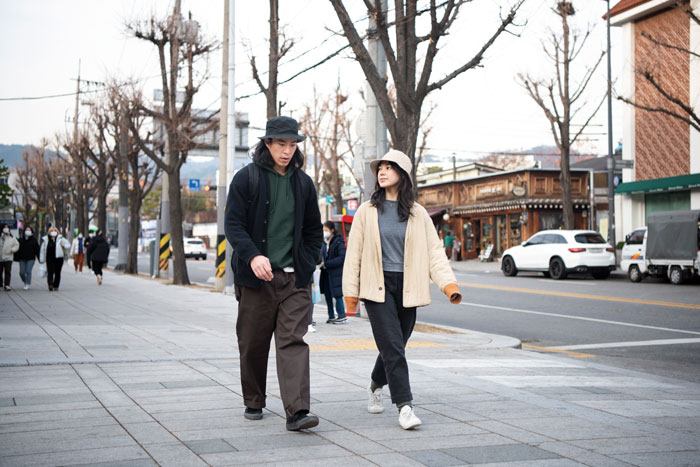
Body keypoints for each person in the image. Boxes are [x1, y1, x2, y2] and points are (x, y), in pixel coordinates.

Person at [343, 150, 462, 430]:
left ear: (403, 174)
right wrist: (350, 295)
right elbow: (354, 255)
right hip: (377, 288)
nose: (382, 172)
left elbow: (435, 254)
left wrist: (448, 285)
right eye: (380, 168)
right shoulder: (366, 211)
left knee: (395, 345)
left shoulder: (418, 214)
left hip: (409, 288)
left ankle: (375, 384)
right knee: (394, 347)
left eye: (389, 167)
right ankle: (405, 407)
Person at [225, 116, 323, 432]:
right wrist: (253, 255)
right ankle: (254, 399)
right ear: (267, 143)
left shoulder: (304, 183)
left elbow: (312, 231)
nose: (287, 151)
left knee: (292, 340)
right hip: (256, 279)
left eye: (293, 144)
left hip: (294, 279)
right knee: (253, 342)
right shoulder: (246, 178)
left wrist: (307, 264)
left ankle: (297, 411)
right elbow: (233, 225)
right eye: (281, 143)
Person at [319, 221, 347, 324]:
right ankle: (331, 315)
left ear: (332, 230)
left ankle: (341, 315)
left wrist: (326, 263)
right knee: (327, 294)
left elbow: (341, 258)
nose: (324, 232)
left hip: (335, 273)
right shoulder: (324, 242)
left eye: (326, 230)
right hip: (326, 273)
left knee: (337, 294)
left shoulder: (338, 242)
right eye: (323, 230)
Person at [39, 226, 70, 291]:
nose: (53, 232)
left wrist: (63, 245)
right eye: (52, 231)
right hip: (49, 258)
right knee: (50, 271)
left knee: (57, 272)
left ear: (57, 232)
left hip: (59, 258)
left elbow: (68, 245)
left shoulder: (60, 238)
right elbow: (42, 250)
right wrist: (41, 259)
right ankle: (50, 284)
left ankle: (56, 285)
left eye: (55, 231)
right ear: (49, 232)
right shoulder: (46, 239)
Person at [16, 225, 40, 290]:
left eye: (29, 230)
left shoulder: (34, 240)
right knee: (21, 272)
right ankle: (25, 281)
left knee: (28, 271)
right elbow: (17, 249)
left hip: (31, 258)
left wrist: (40, 259)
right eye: (26, 230)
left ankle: (27, 284)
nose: (28, 231)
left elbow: (37, 250)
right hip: (22, 258)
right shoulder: (21, 240)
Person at [0, 224, 20, 290]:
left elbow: (17, 245)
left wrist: (12, 250)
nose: (6, 229)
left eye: (7, 227)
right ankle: (0, 283)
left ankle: (7, 284)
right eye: (5, 227)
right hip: (0, 257)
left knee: (8, 271)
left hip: (8, 257)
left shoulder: (11, 237)